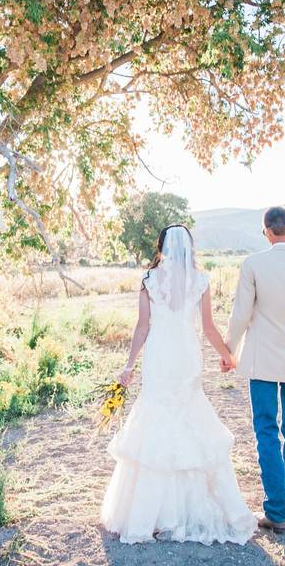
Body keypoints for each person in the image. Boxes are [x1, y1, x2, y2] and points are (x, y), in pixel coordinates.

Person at [100, 224, 255, 545]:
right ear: (189, 248)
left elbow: (142, 327)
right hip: (186, 354)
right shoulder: (200, 281)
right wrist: (227, 355)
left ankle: (150, 515)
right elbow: (209, 328)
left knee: (155, 416)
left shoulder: (149, 280)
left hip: (160, 355)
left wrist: (129, 365)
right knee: (189, 416)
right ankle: (183, 509)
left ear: (162, 247)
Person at [224, 206, 285, 534]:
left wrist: (229, 351)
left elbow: (241, 314)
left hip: (261, 360)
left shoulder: (253, 264)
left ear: (266, 230)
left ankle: (276, 512)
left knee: (266, 430)